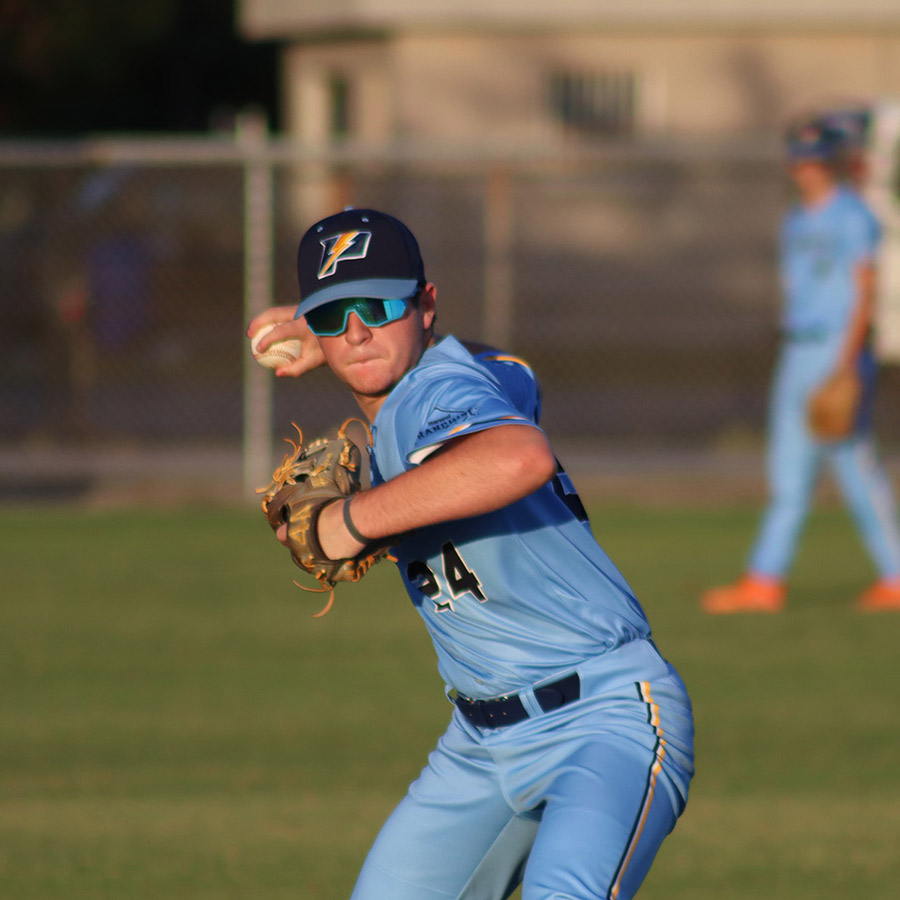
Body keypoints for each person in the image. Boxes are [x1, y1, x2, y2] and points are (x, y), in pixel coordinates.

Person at [248, 207, 694, 900]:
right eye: (334, 315)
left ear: (426, 305)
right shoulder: (472, 372)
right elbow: (513, 369)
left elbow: (518, 456)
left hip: (603, 721)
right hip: (479, 746)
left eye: (379, 305)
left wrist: (353, 520)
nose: (357, 331)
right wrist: (324, 334)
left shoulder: (434, 396)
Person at [701, 118, 900, 614]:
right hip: (797, 349)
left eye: (815, 159)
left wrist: (848, 362)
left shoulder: (852, 215)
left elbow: (865, 291)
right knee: (788, 474)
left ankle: (896, 576)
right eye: (800, 159)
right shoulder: (794, 219)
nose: (807, 168)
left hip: (836, 348)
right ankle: (765, 581)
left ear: (829, 162)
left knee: (856, 468)